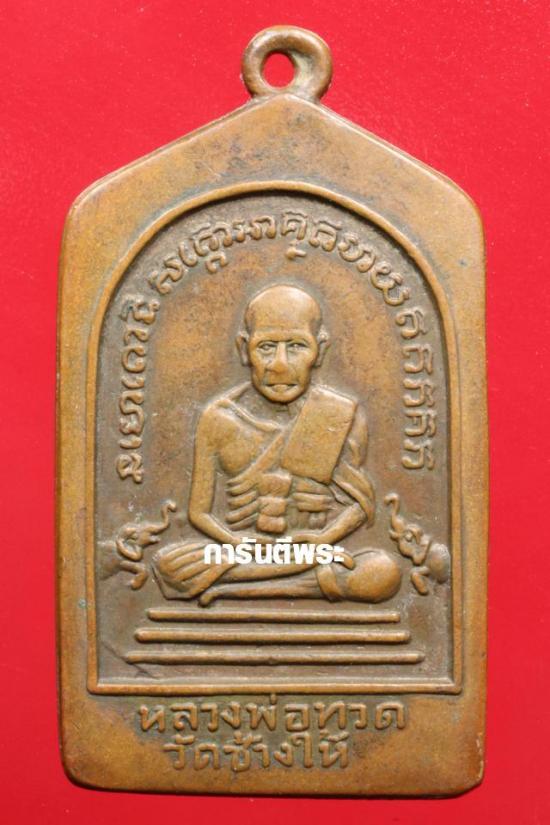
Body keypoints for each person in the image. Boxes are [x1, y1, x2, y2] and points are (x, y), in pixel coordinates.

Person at [153, 283, 401, 604]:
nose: (280, 364)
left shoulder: (338, 413)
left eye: (297, 346)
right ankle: (303, 581)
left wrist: (323, 539)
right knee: (170, 565)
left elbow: (360, 504)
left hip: (311, 548)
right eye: (266, 347)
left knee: (383, 571)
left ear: (320, 350)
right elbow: (199, 513)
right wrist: (238, 544)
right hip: (241, 552)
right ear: (244, 349)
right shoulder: (219, 418)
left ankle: (232, 588)